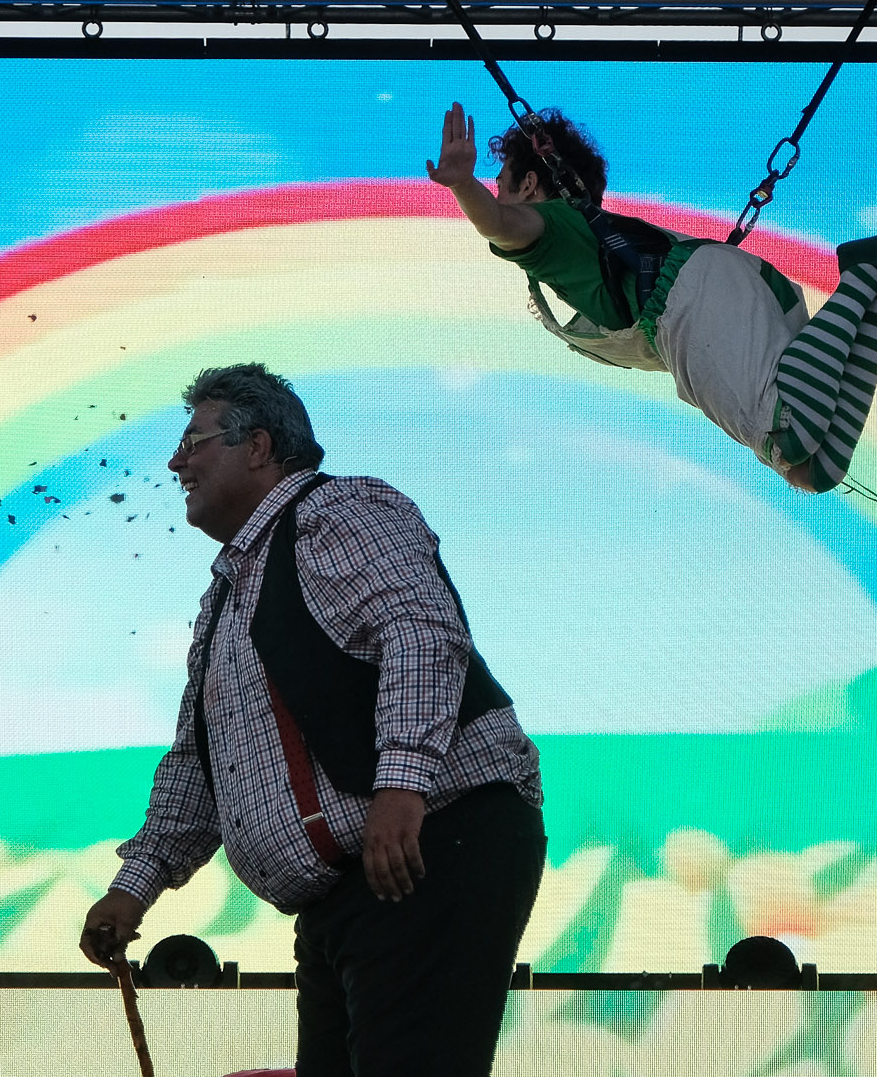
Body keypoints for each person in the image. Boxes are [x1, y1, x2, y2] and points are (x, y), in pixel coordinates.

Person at [80, 362, 544, 1077]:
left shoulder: (339, 512)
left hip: (428, 849)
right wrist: (131, 888)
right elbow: (198, 763)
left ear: (259, 446)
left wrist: (400, 787)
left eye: (194, 440)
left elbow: (419, 631)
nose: (176, 460)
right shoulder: (229, 592)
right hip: (345, 894)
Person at [425, 102, 877, 494]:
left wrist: (462, 185)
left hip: (690, 305)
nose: (498, 190)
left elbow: (499, 224)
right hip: (723, 289)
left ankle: (862, 278)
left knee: (790, 433)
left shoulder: (549, 230)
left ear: (528, 186)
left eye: (502, 180)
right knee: (814, 471)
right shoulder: (589, 239)